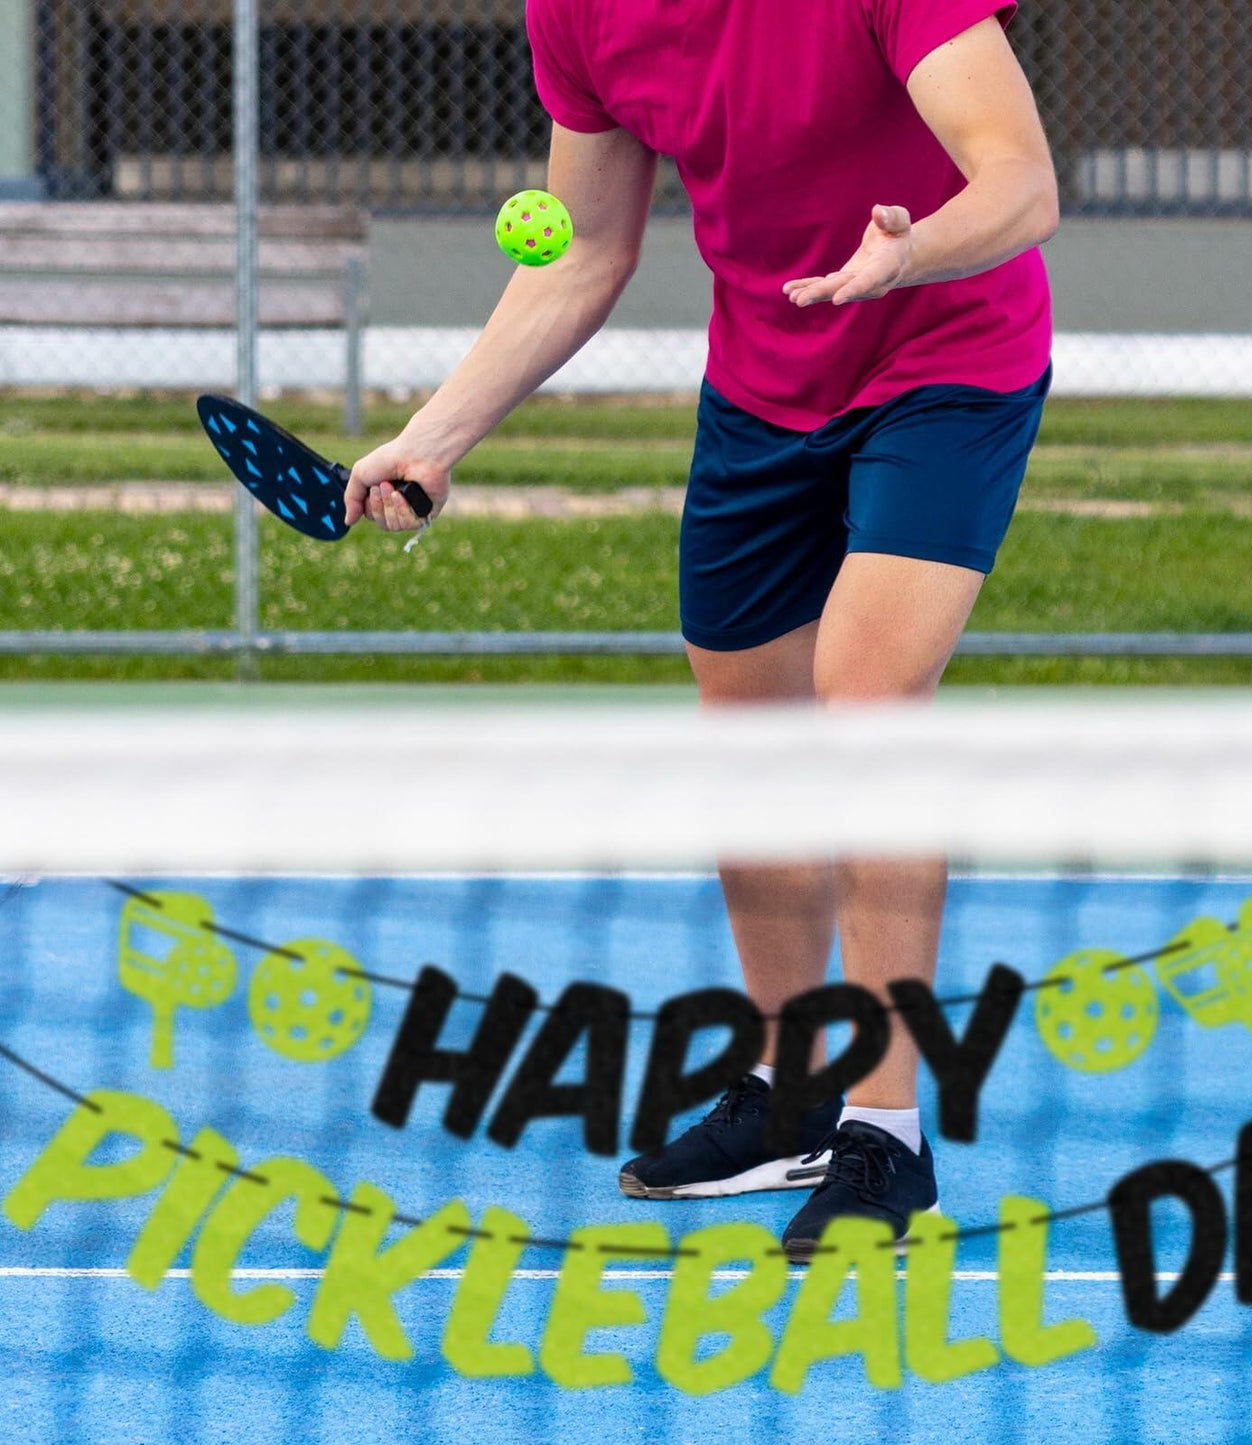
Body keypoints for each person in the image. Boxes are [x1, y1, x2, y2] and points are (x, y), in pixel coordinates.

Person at [345, 0, 1058, 1260]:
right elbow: (578, 254)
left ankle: (885, 1128)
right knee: (751, 743)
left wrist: (912, 250)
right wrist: (433, 438)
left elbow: (1019, 177)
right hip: (762, 387)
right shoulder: (573, 13)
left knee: (866, 702)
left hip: (946, 358)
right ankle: (789, 1096)